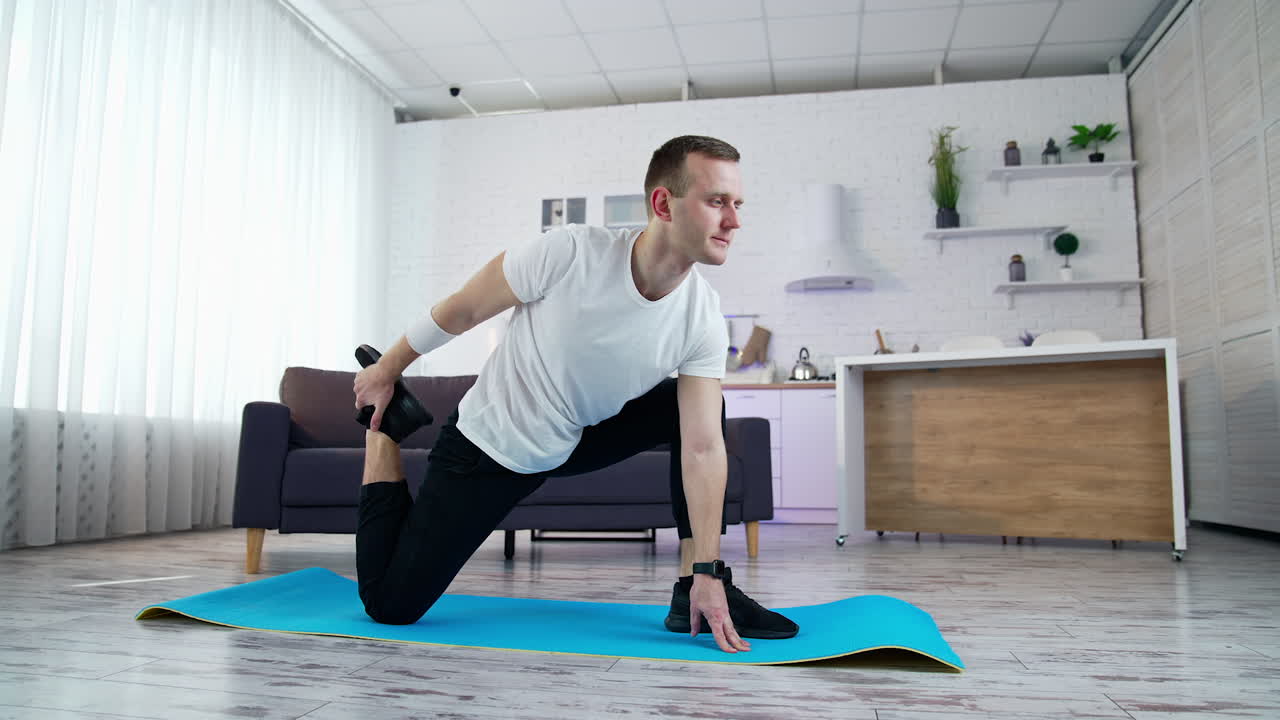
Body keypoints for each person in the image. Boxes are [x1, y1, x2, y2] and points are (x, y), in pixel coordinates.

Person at [352, 135, 797, 654]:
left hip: (574, 437)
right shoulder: (569, 253)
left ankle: (687, 592)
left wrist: (707, 572)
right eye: (717, 201)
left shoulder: (701, 316)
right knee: (391, 607)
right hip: (489, 449)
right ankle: (385, 430)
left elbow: (701, 447)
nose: (734, 220)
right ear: (663, 204)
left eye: (737, 204)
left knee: (698, 407)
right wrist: (386, 368)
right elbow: (464, 309)